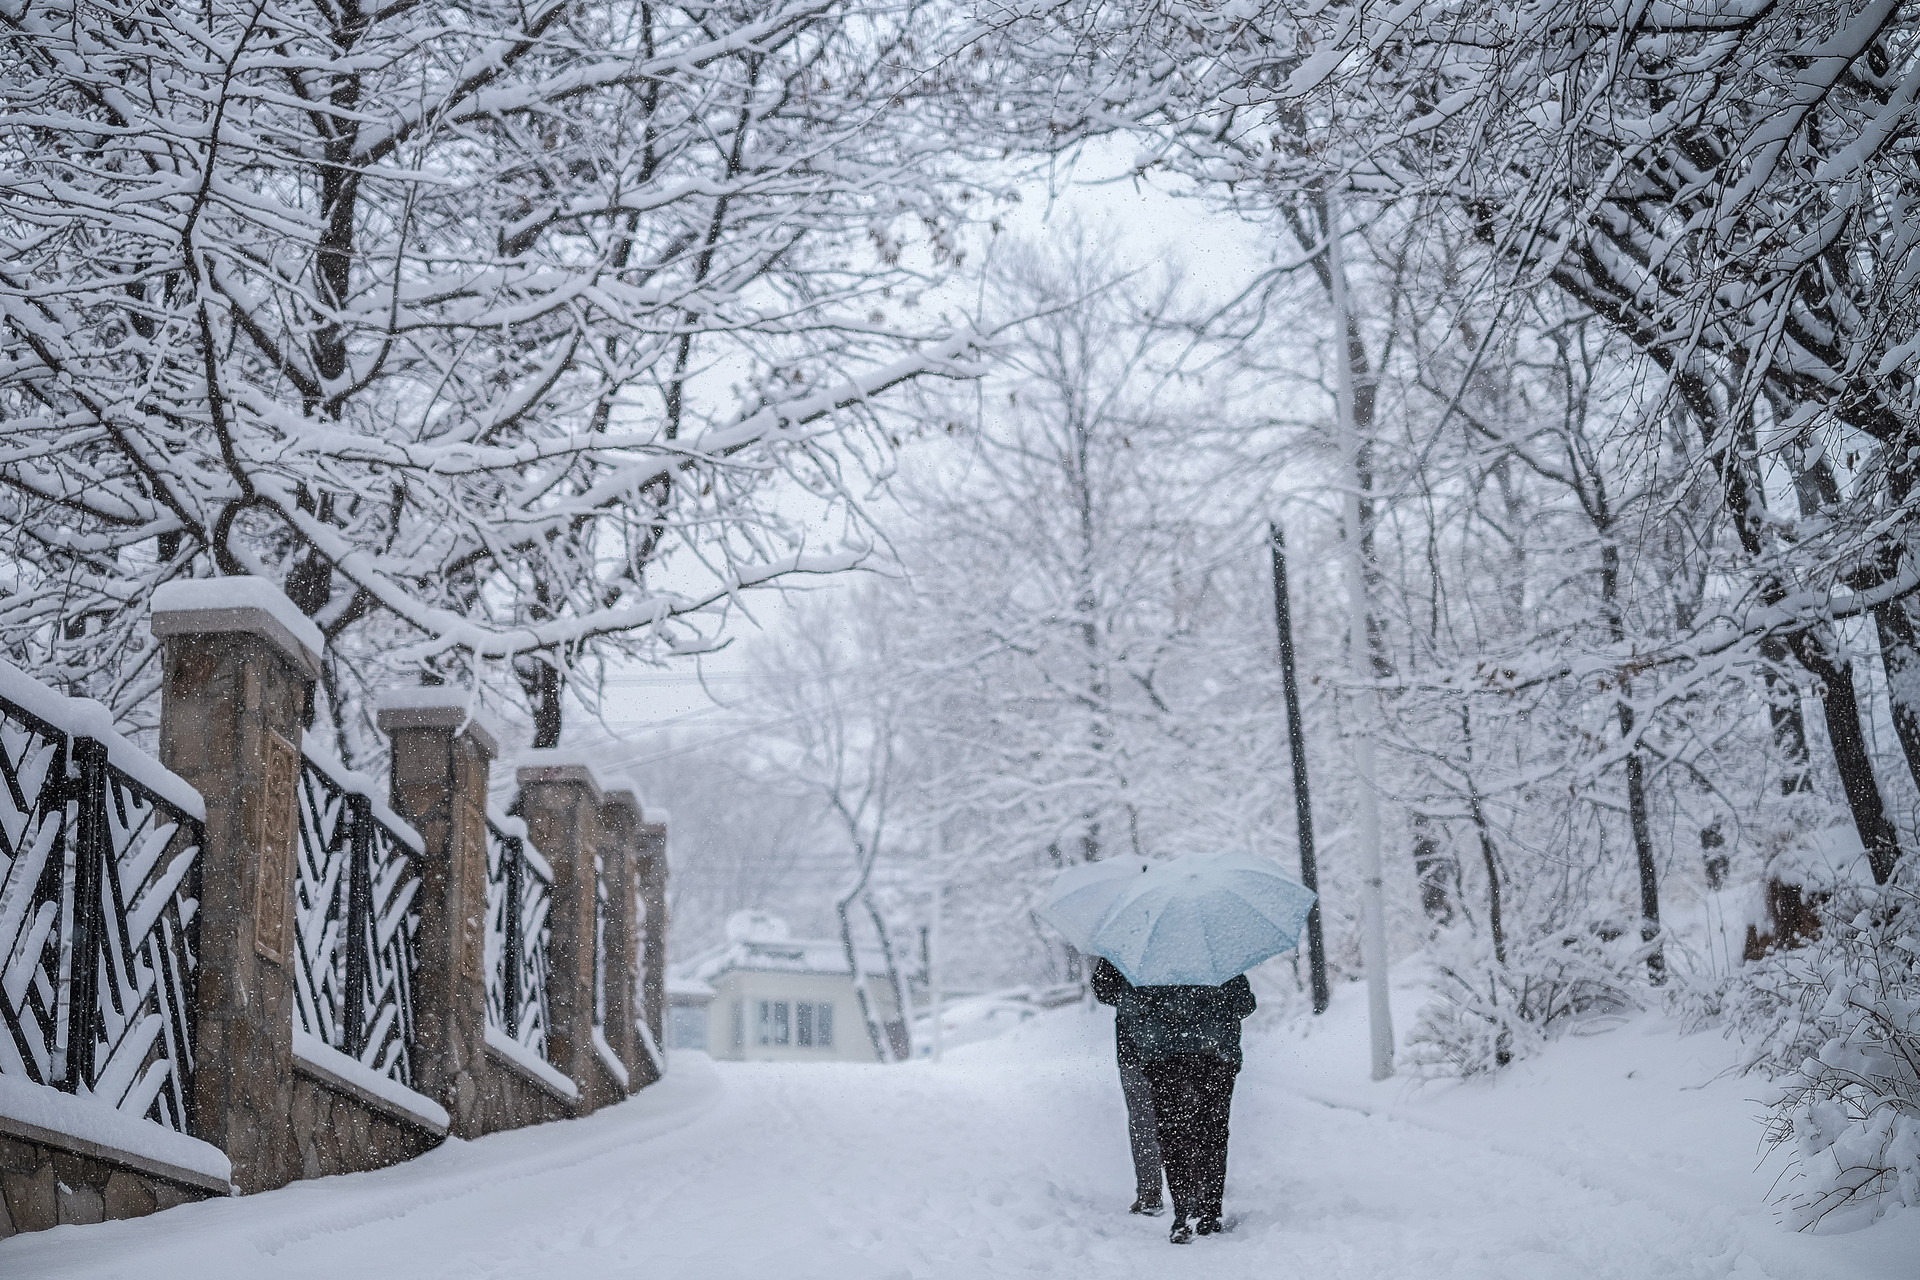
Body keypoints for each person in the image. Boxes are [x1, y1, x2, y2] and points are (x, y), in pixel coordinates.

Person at [1115, 972, 1256, 1244]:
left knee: (1173, 1136)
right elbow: (1244, 1004)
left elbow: (1128, 1006)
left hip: (1164, 1059)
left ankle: (1183, 1211)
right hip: (1215, 1056)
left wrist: (1155, 1027)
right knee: (1212, 1133)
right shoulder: (1218, 954)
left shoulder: (1148, 961)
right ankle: (1210, 1210)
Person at [1090, 957, 1165, 1215]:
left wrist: (1131, 994)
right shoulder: (1191, 942)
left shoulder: (1123, 944)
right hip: (1179, 1047)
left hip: (1134, 1047)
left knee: (1143, 1120)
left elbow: (1103, 990)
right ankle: (1192, 1188)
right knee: (1183, 1119)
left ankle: (1150, 1191)